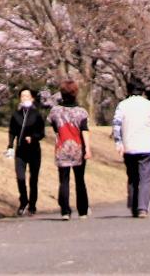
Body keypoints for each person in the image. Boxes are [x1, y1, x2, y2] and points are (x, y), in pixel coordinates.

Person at [111, 77, 150, 218]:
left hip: (129, 146)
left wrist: (118, 142)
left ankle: (133, 205)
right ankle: (142, 208)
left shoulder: (123, 105)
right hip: (147, 146)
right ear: (143, 91)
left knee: (132, 177)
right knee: (145, 178)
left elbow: (116, 125)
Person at [51, 80, 91, 220]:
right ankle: (83, 210)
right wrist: (88, 149)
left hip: (62, 148)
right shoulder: (81, 112)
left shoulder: (55, 111)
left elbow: (55, 127)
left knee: (64, 180)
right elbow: (85, 130)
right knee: (80, 180)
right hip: (78, 148)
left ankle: (65, 211)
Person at [5, 89, 46, 216]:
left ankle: (32, 205)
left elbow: (41, 132)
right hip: (21, 150)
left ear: (32, 98)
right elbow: (12, 131)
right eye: (22, 96)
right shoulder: (16, 115)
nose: (25, 98)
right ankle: (23, 201)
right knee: (20, 177)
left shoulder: (37, 114)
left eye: (27, 96)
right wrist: (10, 145)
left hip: (34, 150)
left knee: (33, 179)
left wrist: (33, 137)